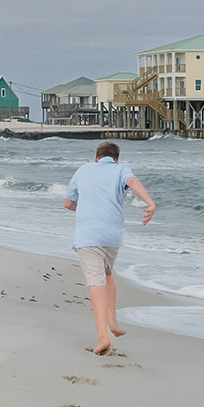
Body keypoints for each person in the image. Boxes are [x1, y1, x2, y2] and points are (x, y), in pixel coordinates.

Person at [63, 141, 155, 354]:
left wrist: (84, 207)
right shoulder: (121, 170)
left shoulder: (83, 170)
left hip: (88, 236)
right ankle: (113, 321)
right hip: (112, 236)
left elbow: (68, 203)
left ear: (96, 157)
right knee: (107, 273)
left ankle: (103, 336)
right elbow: (132, 181)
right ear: (116, 159)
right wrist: (150, 204)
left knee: (96, 283)